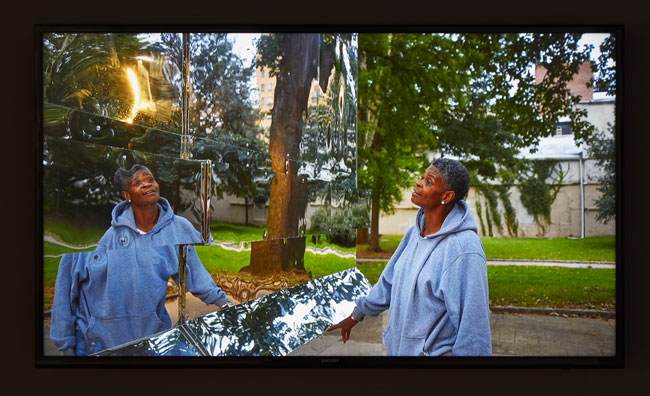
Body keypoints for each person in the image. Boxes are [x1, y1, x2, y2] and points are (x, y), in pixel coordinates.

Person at [50, 164, 231, 355]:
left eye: (150, 179)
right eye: (137, 183)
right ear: (127, 196)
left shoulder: (177, 228)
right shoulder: (95, 239)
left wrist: (223, 302)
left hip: (152, 342)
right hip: (98, 344)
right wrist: (66, 345)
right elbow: (66, 291)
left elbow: (194, 273)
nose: (146, 185)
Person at [328, 158, 491, 356]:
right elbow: (388, 283)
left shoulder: (464, 248)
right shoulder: (415, 233)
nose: (418, 183)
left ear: (447, 196)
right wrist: (356, 315)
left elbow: (473, 327)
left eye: (428, 181)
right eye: (422, 177)